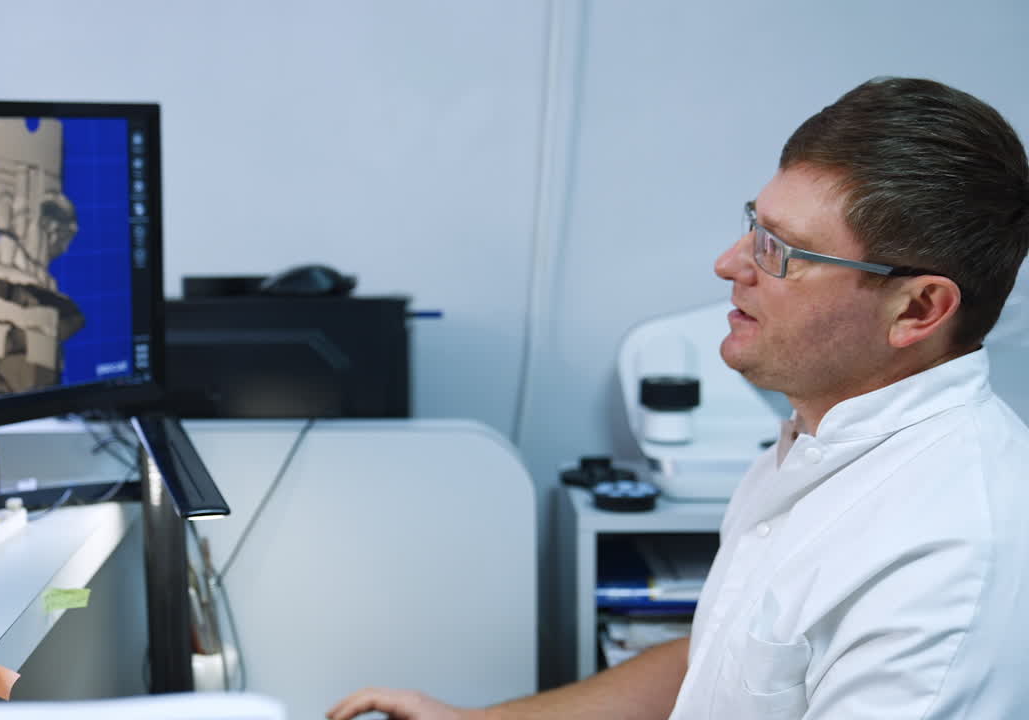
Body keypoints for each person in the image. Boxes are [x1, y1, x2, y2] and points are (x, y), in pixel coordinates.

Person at [328, 76, 1029, 720]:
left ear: (918, 309)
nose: (730, 264)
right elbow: (721, 661)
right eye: (755, 224)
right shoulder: (817, 441)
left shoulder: (949, 558)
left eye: (781, 252)